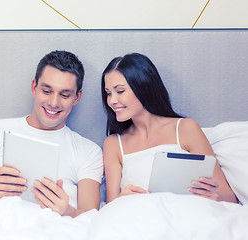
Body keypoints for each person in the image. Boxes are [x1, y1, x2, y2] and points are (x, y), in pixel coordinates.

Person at [0, 50, 103, 217]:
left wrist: (66, 211)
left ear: (77, 97)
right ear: (34, 87)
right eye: (46, 91)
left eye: (65, 95)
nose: (54, 103)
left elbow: (90, 219)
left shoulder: (88, 152)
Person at [101, 52, 238, 204]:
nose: (112, 100)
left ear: (143, 87)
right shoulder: (113, 144)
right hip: (141, 218)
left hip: (188, 215)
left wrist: (214, 194)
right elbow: (110, 206)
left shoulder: (186, 128)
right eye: (108, 93)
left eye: (120, 91)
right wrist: (122, 199)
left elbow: (229, 197)